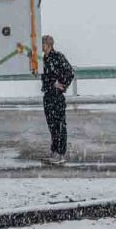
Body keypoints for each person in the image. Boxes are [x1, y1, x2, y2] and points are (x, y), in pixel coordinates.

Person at [39, 35, 74, 163]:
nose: (41, 46)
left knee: (59, 125)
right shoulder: (43, 59)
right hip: (48, 95)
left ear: (48, 45)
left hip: (57, 96)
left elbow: (70, 72)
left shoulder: (58, 57)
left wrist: (61, 84)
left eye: (42, 44)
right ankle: (54, 151)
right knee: (52, 125)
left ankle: (60, 153)